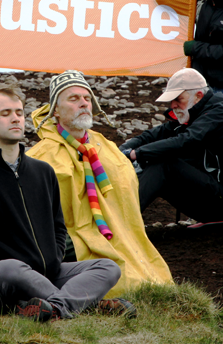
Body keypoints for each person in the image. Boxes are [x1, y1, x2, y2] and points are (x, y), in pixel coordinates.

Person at [0, 84, 129, 322]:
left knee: (108, 268)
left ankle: (53, 307)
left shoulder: (43, 171)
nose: (15, 119)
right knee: (14, 269)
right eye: (5, 114)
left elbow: (58, 227)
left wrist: (53, 259)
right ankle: (84, 305)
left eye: (19, 113)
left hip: (47, 273)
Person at [28, 71, 172, 297]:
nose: (84, 104)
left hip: (118, 234)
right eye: (73, 99)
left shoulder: (107, 148)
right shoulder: (41, 156)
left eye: (87, 98)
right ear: (55, 110)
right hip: (68, 241)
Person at [120, 68, 223, 228]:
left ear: (198, 96)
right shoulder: (194, 110)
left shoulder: (218, 112)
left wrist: (136, 154)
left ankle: (119, 223)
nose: (173, 105)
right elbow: (153, 134)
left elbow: (185, 140)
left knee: (163, 163)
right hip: (214, 197)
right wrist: (120, 151)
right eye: (171, 100)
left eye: (178, 99)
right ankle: (117, 217)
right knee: (154, 160)